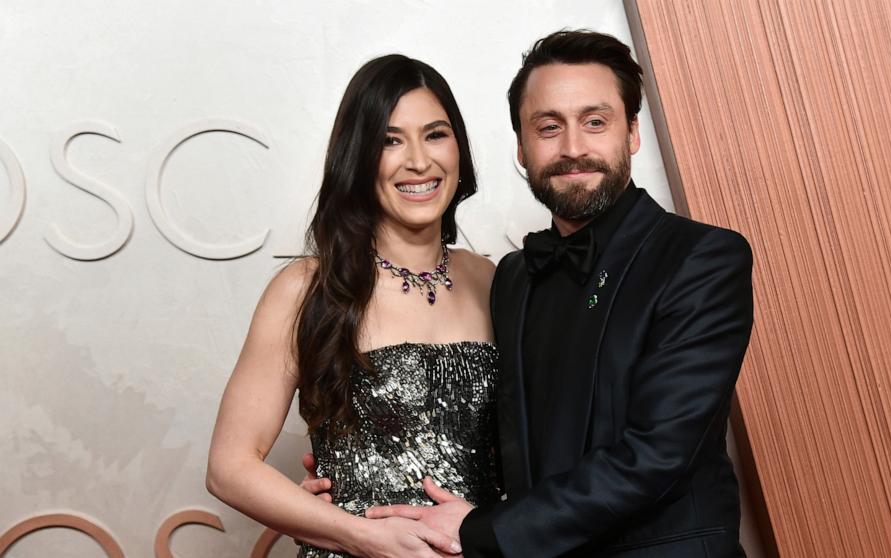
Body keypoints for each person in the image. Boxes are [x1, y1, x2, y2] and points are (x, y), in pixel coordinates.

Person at [354, 30, 754, 557]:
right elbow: (484, 430)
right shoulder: (514, 278)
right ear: (521, 146)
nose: (572, 148)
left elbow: (658, 452)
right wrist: (356, 469)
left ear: (632, 132)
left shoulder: (701, 258)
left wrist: (483, 534)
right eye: (548, 127)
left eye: (595, 122)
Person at [206, 54, 501, 558]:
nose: (418, 161)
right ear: (359, 156)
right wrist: (358, 535)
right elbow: (228, 467)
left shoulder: (492, 279)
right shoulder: (305, 289)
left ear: (459, 149)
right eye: (390, 140)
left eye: (435, 134)